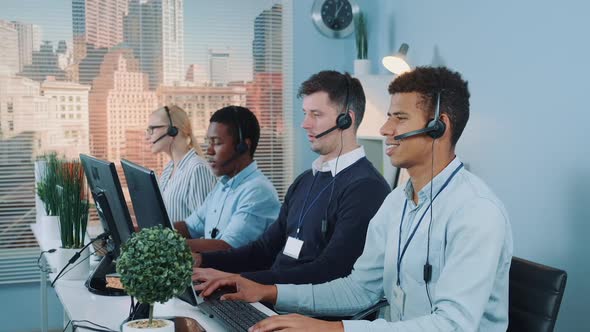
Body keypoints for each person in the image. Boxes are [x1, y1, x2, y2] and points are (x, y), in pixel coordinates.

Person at [202, 67, 514, 332]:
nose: (385, 129)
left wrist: (331, 328)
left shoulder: (476, 212)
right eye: (389, 116)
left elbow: (451, 326)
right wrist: (268, 291)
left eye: (400, 118)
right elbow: (359, 288)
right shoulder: (397, 204)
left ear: (438, 127)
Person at [192, 70, 390, 287]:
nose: (305, 124)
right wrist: (202, 260)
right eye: (305, 113)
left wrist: (239, 281)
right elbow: (264, 250)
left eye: (316, 114)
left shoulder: (366, 188)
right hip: (272, 299)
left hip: (307, 314)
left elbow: (330, 271)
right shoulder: (305, 181)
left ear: (346, 120)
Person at [174, 106, 281, 252]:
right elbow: (190, 227)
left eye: (217, 143)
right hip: (211, 271)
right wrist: (151, 231)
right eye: (208, 142)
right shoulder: (223, 185)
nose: (209, 151)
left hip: (234, 273)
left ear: (243, 146)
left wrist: (168, 244)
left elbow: (228, 248)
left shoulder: (258, 191)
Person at [146, 105, 216, 223]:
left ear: (173, 130)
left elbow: (205, 226)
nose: (147, 136)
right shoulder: (169, 168)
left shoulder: (197, 170)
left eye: (152, 129)